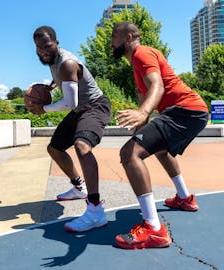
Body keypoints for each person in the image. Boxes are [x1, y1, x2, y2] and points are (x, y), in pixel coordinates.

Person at [111, 22, 208, 250]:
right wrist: (139, 128)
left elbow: (158, 86)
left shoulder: (141, 54)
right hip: (192, 111)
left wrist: (142, 113)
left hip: (186, 110)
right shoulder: (137, 66)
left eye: (115, 35)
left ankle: (154, 230)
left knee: (129, 154)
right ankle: (185, 198)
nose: (111, 41)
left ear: (129, 37)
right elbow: (147, 102)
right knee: (158, 150)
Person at [30, 26, 111, 232]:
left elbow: (70, 102)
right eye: (39, 48)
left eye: (47, 46)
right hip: (80, 109)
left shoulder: (67, 63)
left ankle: (95, 210)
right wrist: (50, 86)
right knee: (54, 149)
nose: (43, 52)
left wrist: (43, 108)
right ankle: (79, 187)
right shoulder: (52, 61)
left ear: (57, 43)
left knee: (82, 146)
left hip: (94, 106)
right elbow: (65, 81)